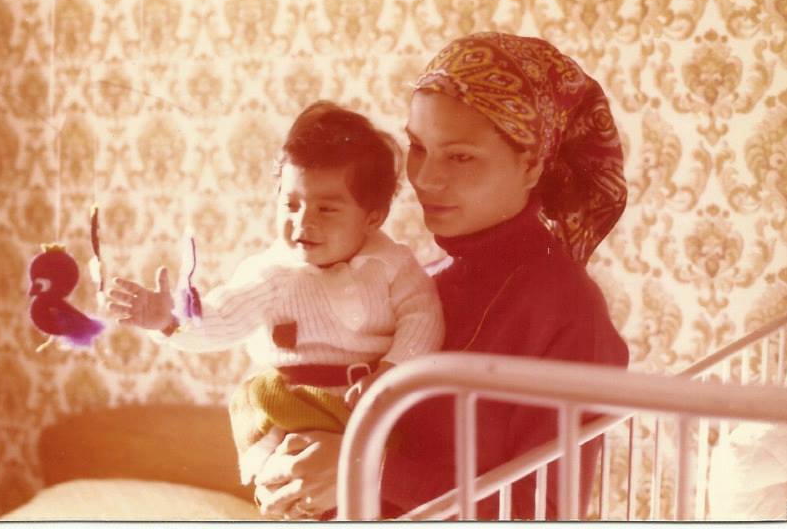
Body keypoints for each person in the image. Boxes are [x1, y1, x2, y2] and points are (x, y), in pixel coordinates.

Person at [252, 32, 630, 520]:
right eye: (417, 147)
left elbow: (544, 513)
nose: (425, 178)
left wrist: (365, 466)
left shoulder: (569, 312)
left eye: (460, 156)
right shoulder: (414, 284)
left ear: (532, 164)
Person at [107, 101, 444, 512]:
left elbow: (422, 318)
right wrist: (169, 320)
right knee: (289, 476)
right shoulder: (271, 273)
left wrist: (390, 374)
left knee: (380, 478)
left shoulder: (393, 265)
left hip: (366, 399)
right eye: (290, 204)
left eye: (326, 208)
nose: (303, 222)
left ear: (373, 217)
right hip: (292, 403)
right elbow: (221, 317)